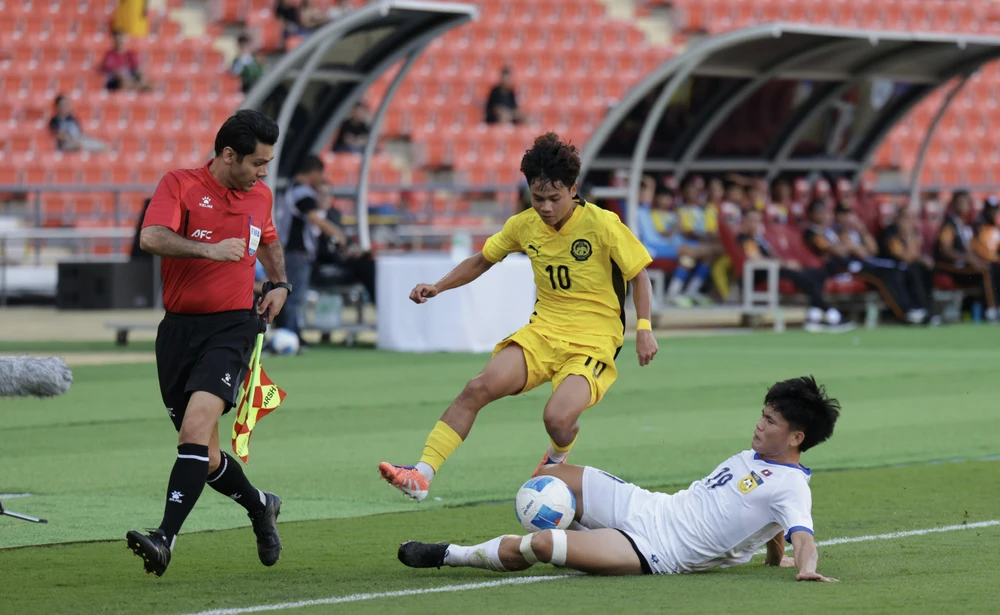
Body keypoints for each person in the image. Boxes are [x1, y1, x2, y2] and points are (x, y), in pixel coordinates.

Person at [378, 132, 658, 502]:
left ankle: (556, 459)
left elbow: (639, 274)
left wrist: (644, 328)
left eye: (554, 198)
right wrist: (438, 286)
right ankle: (421, 474)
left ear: (573, 190)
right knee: (476, 388)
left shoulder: (603, 225)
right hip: (542, 332)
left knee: (557, 419)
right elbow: (482, 259)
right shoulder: (523, 225)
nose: (544, 207)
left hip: (593, 340)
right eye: (537, 197)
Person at [399, 376, 840, 583]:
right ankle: (580, 524)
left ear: (796, 437)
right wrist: (769, 557)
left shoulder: (792, 487)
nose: (759, 426)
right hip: (650, 507)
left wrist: (807, 569)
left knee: (542, 545)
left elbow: (799, 530)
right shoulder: (754, 457)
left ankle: (449, 555)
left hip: (658, 550)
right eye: (761, 415)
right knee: (551, 477)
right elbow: (768, 520)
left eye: (770, 421)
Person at [126, 110, 292, 577]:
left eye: (268, 164)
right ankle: (261, 505)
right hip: (178, 332)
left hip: (232, 328)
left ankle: (164, 538)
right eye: (258, 163)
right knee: (207, 455)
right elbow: (151, 236)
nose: (264, 173)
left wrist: (281, 284)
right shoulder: (179, 184)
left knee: (195, 427)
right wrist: (208, 249)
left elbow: (270, 240)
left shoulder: (259, 195)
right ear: (227, 155)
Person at [804, 200, 924, 324]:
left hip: (860, 263)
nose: (846, 218)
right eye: (843, 214)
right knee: (882, 275)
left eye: (849, 214)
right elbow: (838, 251)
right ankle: (903, 313)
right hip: (844, 267)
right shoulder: (824, 232)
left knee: (897, 271)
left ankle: (913, 308)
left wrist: (862, 231)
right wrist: (853, 248)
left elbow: (872, 250)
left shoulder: (849, 232)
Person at [274, 154, 351, 344]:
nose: (322, 178)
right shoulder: (303, 193)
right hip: (296, 251)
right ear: (314, 172)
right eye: (321, 173)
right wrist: (338, 234)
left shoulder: (291, 188)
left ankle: (292, 333)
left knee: (293, 296)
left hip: (289, 249)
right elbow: (315, 219)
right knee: (295, 297)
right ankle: (292, 335)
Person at [739, 209, 850, 332]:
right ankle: (832, 314)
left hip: (777, 269)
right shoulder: (745, 239)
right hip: (765, 273)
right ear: (744, 222)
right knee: (802, 277)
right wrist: (785, 264)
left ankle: (813, 317)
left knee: (817, 274)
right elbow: (756, 259)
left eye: (759, 221)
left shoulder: (760, 239)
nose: (756, 224)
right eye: (753, 221)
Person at [934, 191, 1000, 321]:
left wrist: (977, 259)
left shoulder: (967, 225)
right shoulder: (949, 224)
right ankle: (991, 310)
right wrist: (968, 259)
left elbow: (971, 248)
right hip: (952, 266)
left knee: (994, 267)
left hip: (966, 265)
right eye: (960, 202)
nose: (963, 206)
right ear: (953, 204)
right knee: (985, 271)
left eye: (966, 202)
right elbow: (945, 250)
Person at [879, 206, 935, 318]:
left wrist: (923, 259)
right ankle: (911, 310)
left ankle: (927, 309)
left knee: (927, 269)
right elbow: (905, 257)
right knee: (914, 270)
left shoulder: (913, 232)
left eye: (912, 218)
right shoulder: (890, 233)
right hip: (890, 267)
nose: (910, 221)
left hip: (907, 266)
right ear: (898, 219)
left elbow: (915, 254)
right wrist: (908, 236)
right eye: (906, 217)